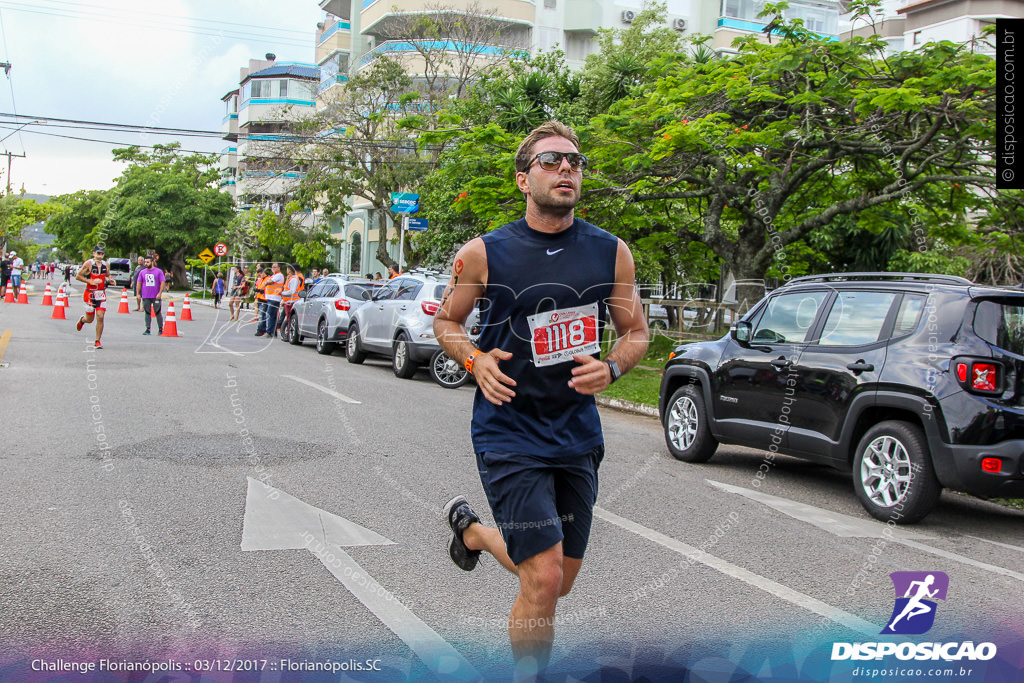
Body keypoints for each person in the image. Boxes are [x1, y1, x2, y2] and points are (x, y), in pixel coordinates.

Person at [433, 121, 649, 680]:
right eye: (552, 162)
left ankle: (475, 534)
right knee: (545, 576)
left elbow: (636, 333)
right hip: (509, 432)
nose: (567, 170)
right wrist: (475, 360)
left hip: (576, 433)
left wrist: (613, 366)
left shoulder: (611, 253)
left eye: (575, 162)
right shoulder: (483, 254)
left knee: (558, 580)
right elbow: (447, 323)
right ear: (523, 179)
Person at [75, 246, 117, 348]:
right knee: (90, 319)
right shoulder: (89, 263)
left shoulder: (105, 264)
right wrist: (90, 281)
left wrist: (109, 280)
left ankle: (97, 340)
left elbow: (107, 275)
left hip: (101, 294)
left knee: (100, 316)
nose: (100, 256)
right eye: (98, 253)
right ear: (94, 253)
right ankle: (82, 320)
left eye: (102, 254)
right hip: (90, 294)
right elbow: (78, 276)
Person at [136, 254, 165, 335]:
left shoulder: (158, 271)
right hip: (146, 296)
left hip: (156, 296)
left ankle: (160, 328)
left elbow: (162, 282)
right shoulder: (142, 272)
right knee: (147, 312)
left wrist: (160, 293)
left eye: (147, 262)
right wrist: (138, 294)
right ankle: (147, 329)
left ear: (152, 262)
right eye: (145, 262)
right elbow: (139, 283)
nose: (146, 263)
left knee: (157, 312)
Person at [256, 263, 284, 337]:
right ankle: (273, 332)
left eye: (275, 267)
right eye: (272, 267)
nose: (273, 268)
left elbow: (269, 282)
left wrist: (266, 283)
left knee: (270, 315)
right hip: (271, 298)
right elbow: (267, 281)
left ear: (279, 268)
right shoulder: (273, 275)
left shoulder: (279, 275)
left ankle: (269, 332)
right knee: (273, 315)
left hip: (274, 298)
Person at [277, 264, 305, 335]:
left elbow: (292, 291)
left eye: (287, 269)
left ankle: (289, 334)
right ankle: (288, 333)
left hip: (292, 302)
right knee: (288, 318)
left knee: (290, 319)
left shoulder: (294, 279)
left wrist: (282, 293)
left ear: (289, 270)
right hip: (289, 301)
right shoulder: (291, 278)